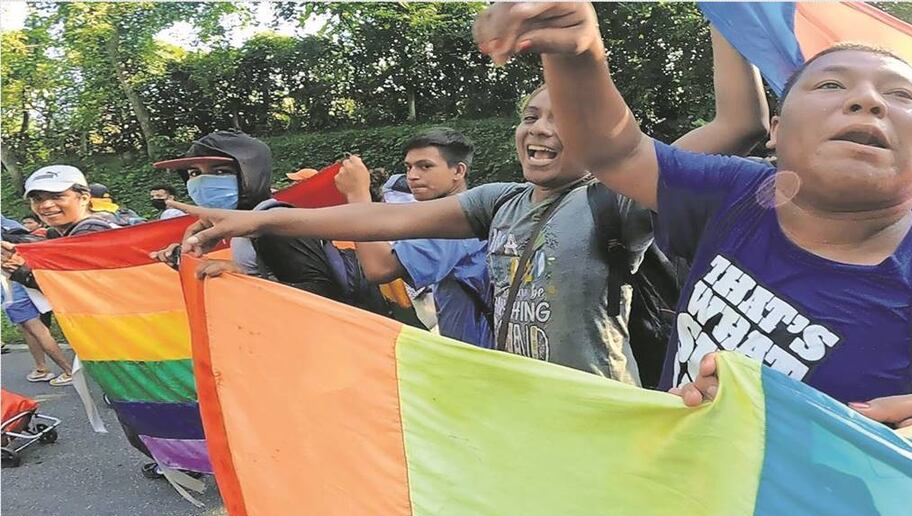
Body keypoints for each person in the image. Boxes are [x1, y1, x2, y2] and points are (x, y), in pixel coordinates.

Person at [472, 2, 912, 476]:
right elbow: (614, 151)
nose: (867, 100)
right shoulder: (739, 196)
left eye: (903, 97)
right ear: (778, 133)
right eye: (832, 87)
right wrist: (577, 50)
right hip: (658, 503)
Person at [164, 34, 769, 385]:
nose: (539, 129)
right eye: (531, 116)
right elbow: (384, 221)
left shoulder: (614, 199)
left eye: (563, 117)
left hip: (600, 411)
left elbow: (740, 125)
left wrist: (728, 19)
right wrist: (261, 218)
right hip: (514, 402)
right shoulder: (497, 201)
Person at [151, 130, 389, 315]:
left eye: (221, 171)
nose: (203, 181)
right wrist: (185, 257)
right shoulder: (242, 222)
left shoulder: (273, 224)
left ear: (251, 175)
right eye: (194, 173)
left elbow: (323, 294)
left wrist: (247, 281)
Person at [335, 128, 493, 347]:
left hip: (480, 360)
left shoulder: (455, 221)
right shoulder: (464, 211)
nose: (412, 176)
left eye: (425, 166)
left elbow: (380, 268)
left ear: (458, 171)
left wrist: (357, 196)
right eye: (408, 167)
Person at [2, 165, 118, 291]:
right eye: (37, 199)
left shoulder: (91, 234)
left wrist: (22, 270)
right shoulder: (100, 222)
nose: (46, 205)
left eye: (57, 196)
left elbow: (80, 290)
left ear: (84, 198)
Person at [1, 279, 74, 386]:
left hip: (12, 291)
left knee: (37, 330)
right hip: (26, 283)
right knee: (28, 328)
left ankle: (69, 371)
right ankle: (41, 368)